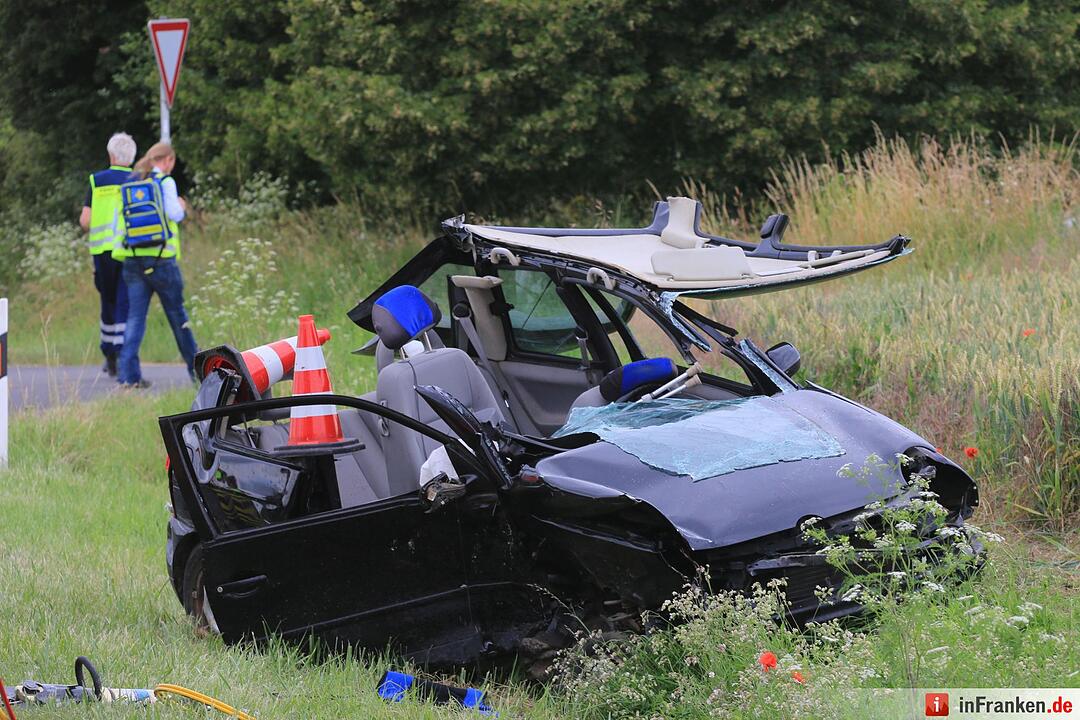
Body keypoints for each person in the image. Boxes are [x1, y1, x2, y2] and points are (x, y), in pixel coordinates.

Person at [112, 142, 198, 388]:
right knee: (178, 317)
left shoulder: (130, 182)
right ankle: (197, 374)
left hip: (133, 260)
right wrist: (181, 207)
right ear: (168, 160)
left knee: (135, 318)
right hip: (162, 261)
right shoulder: (165, 182)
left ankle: (128, 377)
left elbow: (119, 224)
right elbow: (174, 214)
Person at [79, 133, 136, 376]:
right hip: (128, 250)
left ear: (111, 155)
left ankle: (109, 355)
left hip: (101, 252)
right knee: (126, 301)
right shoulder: (138, 179)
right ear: (131, 156)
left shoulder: (96, 180)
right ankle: (123, 353)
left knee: (108, 301)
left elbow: (85, 220)